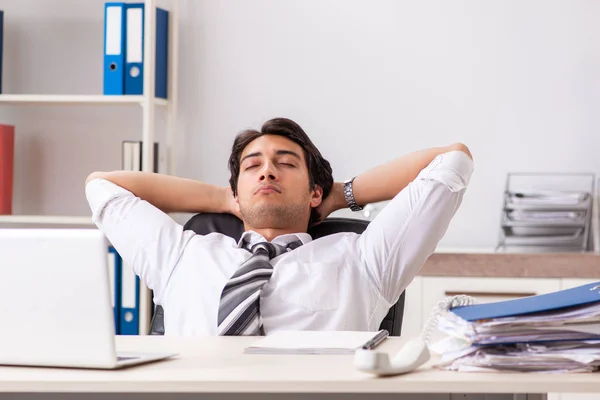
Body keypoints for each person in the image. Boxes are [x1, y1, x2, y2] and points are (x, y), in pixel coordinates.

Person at [85, 117, 474, 336]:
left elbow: (453, 161)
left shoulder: (364, 259)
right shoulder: (182, 254)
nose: (268, 169)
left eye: (286, 163)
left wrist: (339, 194)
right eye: (252, 166)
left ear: (314, 193)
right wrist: (224, 199)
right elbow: (101, 187)